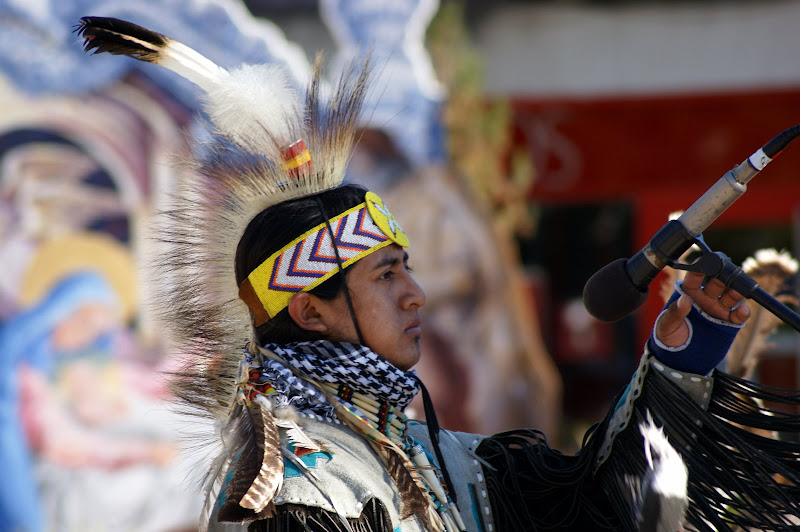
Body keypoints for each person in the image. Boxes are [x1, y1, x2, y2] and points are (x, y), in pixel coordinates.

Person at [78, 16, 800, 532]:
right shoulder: (289, 490)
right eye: (386, 276)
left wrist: (683, 356)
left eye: (407, 270)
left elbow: (602, 509)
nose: (415, 292)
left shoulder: (440, 457)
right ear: (312, 312)